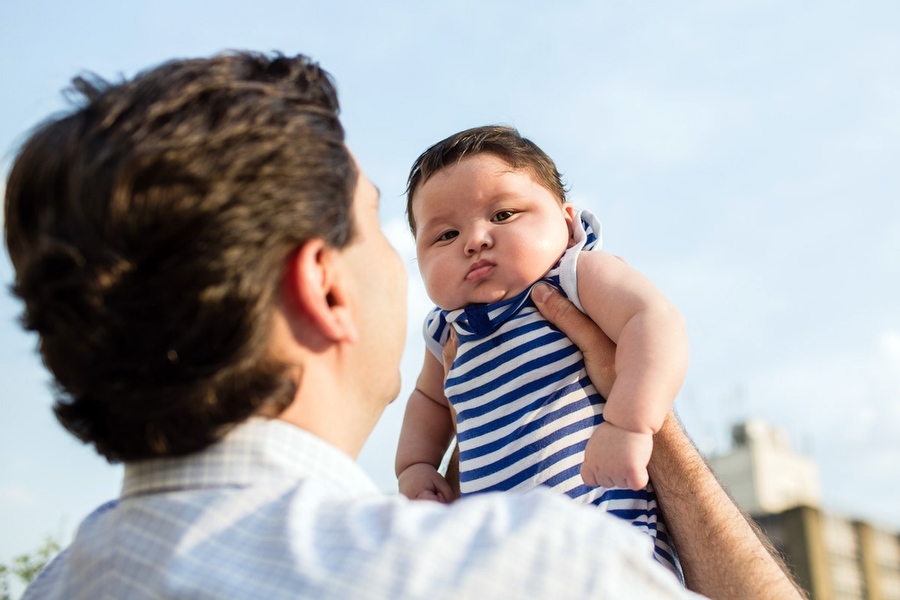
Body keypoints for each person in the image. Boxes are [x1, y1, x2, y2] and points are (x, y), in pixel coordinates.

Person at [4, 51, 804, 599]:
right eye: (393, 231)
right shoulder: (541, 569)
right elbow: (429, 411)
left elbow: (651, 322)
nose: (460, 249)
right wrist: (648, 428)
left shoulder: (57, 584)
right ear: (324, 286)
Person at [395, 126, 688, 571]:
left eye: (503, 215)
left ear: (567, 222)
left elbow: (652, 321)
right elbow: (429, 400)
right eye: (446, 235)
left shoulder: (572, 276)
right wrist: (414, 467)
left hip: (602, 530)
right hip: (503, 560)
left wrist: (629, 422)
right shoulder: (446, 331)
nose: (475, 240)